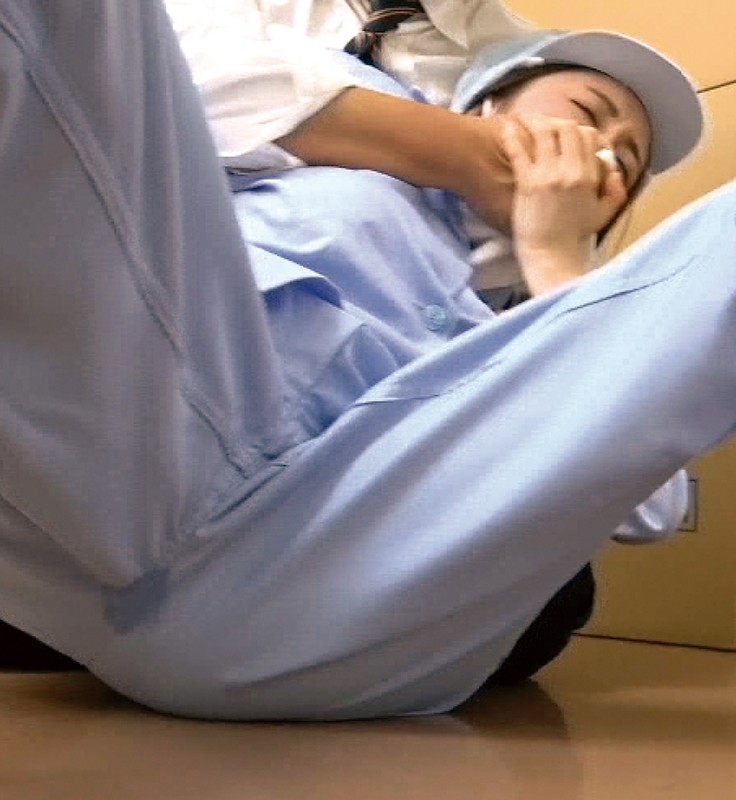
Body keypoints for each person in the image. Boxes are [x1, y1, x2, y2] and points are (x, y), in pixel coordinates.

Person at [1, 0, 734, 722]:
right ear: (488, 99)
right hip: (140, 448)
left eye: (623, 164)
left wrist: (556, 256)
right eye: (587, 111)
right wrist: (466, 155)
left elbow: (649, 508)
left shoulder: (506, 340)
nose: (600, 151)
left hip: (316, 592)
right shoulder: (316, 129)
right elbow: (182, 92)